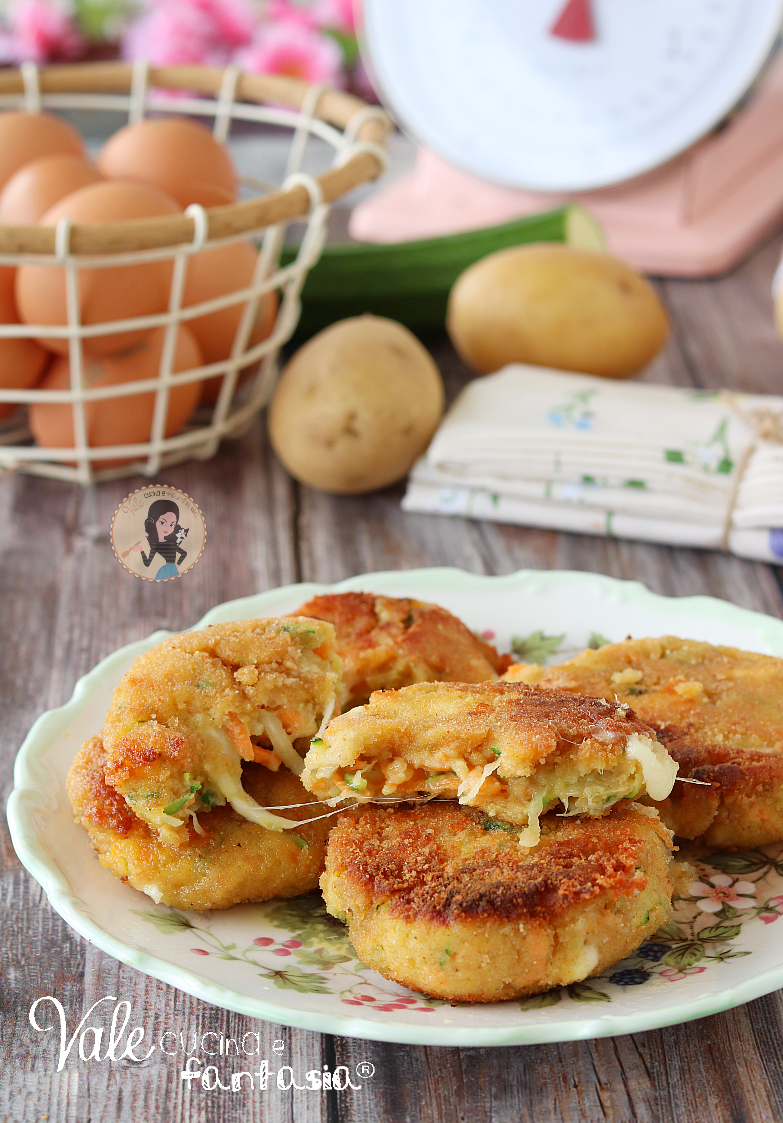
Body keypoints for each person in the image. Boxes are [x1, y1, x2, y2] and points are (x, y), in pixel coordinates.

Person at [132, 498, 187, 579]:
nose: (167, 528)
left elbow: (184, 553)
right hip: (165, 571)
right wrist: (141, 550)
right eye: (162, 523)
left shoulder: (172, 543)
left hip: (173, 570)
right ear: (153, 522)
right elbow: (147, 563)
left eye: (172, 525)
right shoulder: (155, 545)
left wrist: (177, 565)